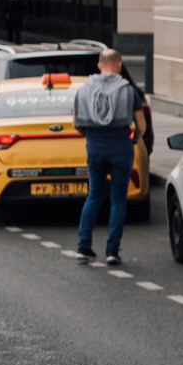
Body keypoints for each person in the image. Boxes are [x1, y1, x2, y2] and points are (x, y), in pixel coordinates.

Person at [72, 47, 148, 264]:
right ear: (119, 64)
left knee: (94, 195)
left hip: (95, 149)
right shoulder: (129, 91)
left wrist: (90, 136)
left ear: (99, 65)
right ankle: (112, 251)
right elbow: (141, 126)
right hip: (121, 150)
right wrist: (133, 139)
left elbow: (76, 123)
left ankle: (83, 247)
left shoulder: (84, 90)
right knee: (118, 200)